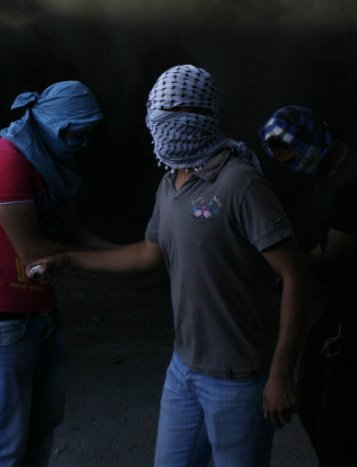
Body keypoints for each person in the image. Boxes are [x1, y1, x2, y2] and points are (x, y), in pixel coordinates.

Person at [30, 65, 313, 467]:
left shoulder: (239, 182)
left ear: (200, 115)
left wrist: (281, 373)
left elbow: (295, 274)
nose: (160, 125)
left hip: (239, 377)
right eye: (156, 114)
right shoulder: (170, 183)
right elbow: (148, 255)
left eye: (171, 114)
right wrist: (71, 260)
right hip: (184, 371)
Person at [0, 80, 114, 467]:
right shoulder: (7, 162)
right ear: (56, 125)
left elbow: (74, 235)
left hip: (42, 315)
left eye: (90, 135)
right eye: (79, 134)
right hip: (3, 324)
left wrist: (134, 251)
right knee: (6, 444)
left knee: (42, 427)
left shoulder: (54, 162)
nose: (84, 142)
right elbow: (33, 253)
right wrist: (128, 261)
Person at [258, 105, 357, 467]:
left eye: (292, 159)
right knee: (311, 406)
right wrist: (294, 265)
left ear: (307, 141)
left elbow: (331, 263)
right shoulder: (326, 177)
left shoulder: (355, 188)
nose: (291, 168)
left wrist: (277, 257)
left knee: (334, 426)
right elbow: (322, 246)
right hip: (341, 318)